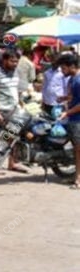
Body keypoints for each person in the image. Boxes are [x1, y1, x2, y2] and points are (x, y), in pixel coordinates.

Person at [0, 51, 28, 173]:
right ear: (4, 60)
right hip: (0, 110)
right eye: (12, 61)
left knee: (13, 137)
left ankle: (12, 163)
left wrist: (20, 103)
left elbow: (15, 90)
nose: (15, 64)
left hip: (13, 110)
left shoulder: (15, 73)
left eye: (16, 61)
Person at [57, 55, 80, 189]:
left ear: (72, 66)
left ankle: (78, 178)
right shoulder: (72, 79)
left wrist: (67, 112)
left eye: (63, 67)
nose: (61, 70)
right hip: (73, 119)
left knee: (78, 150)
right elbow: (74, 97)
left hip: (78, 119)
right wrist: (64, 98)